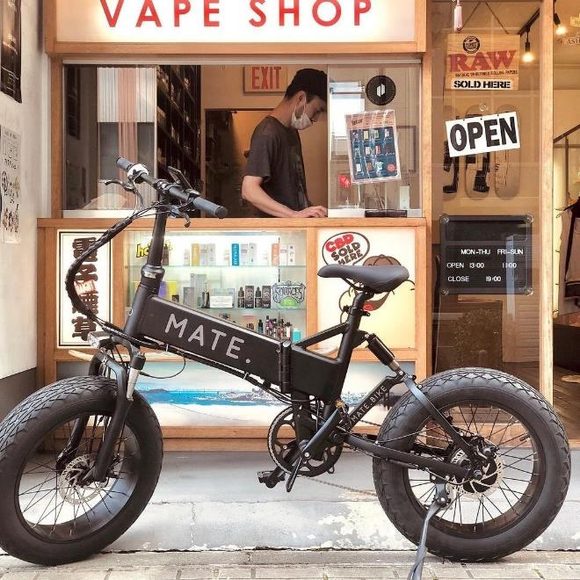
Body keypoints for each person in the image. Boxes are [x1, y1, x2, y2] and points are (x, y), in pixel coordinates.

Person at [242, 68, 328, 218]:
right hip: (275, 229)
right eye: (317, 110)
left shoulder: (291, 132)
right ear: (301, 98)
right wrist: (293, 214)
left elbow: (294, 194)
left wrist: (313, 211)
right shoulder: (267, 133)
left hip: (293, 226)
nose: (315, 118)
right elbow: (249, 190)